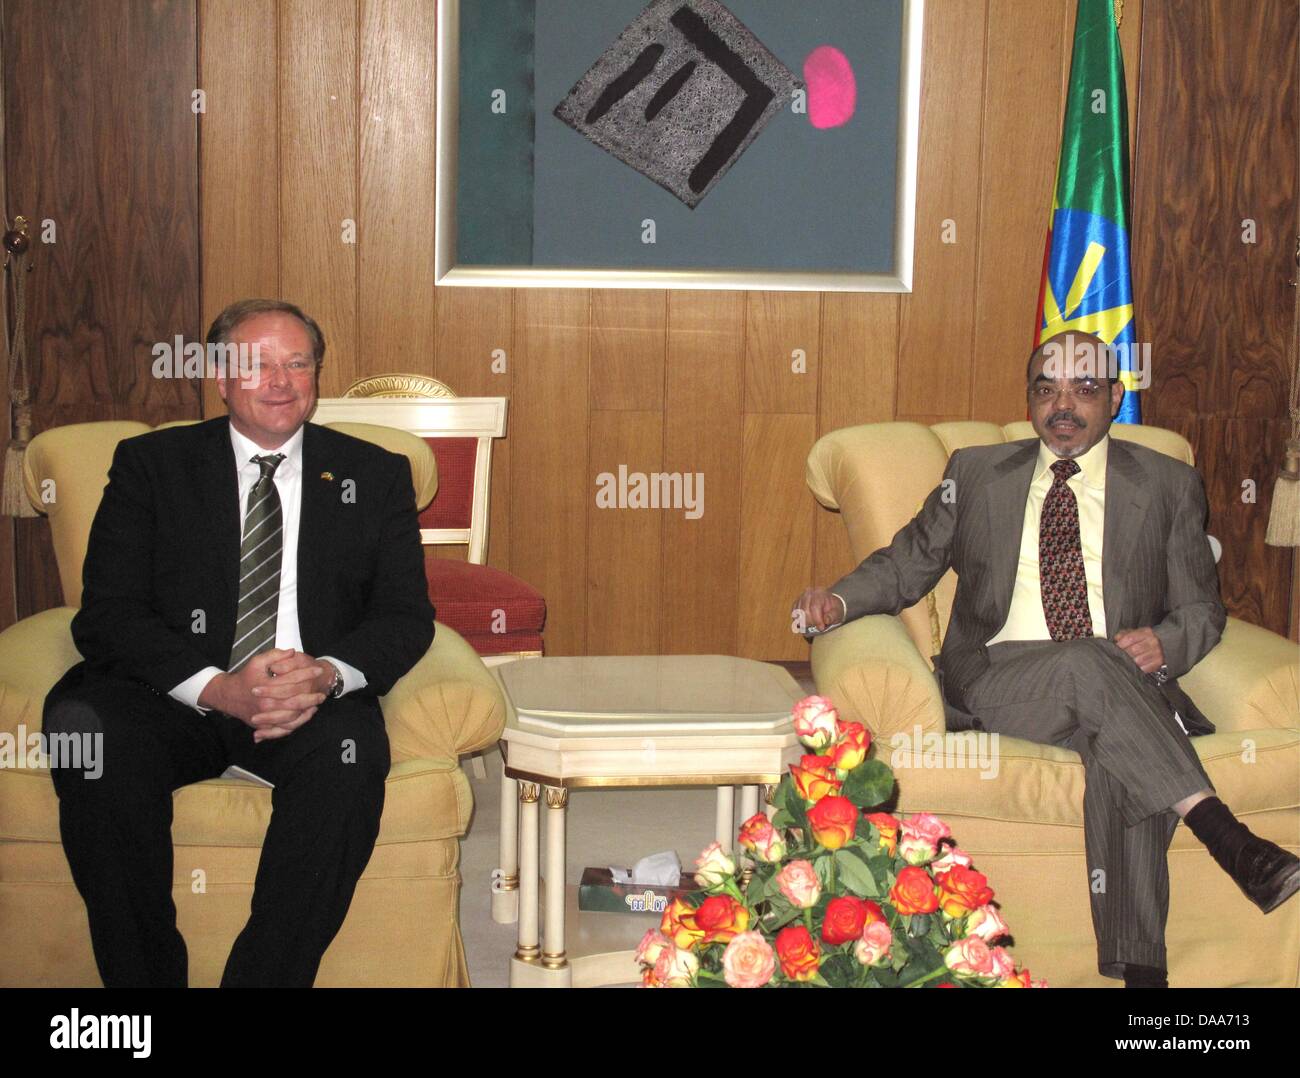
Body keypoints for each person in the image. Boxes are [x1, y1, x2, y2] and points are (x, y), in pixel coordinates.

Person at [794, 330, 1300, 988]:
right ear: (1031, 402)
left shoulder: (1169, 484)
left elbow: (1202, 611)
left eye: (1084, 389)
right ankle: (1222, 831)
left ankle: (1142, 980)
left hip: (1122, 686)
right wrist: (836, 600)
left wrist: (1167, 644)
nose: (1064, 404)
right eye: (1047, 389)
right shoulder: (974, 475)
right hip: (1002, 682)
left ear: (1115, 398)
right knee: (1095, 666)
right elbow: (906, 563)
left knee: (1118, 740)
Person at [42, 298, 435, 987]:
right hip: (171, 693)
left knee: (349, 764)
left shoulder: (373, 475)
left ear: (317, 374)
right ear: (220, 378)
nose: (280, 381)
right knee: (94, 746)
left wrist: (327, 676)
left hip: (304, 696)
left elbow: (404, 616)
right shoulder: (150, 466)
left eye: (297, 363)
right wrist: (218, 688)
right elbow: (108, 614)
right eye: (256, 365)